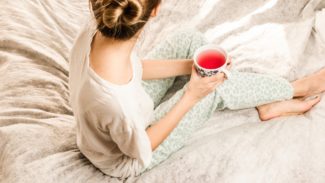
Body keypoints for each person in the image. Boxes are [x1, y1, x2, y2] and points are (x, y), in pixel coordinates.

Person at [68, 0, 325, 179]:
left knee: (189, 40)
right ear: (155, 10)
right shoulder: (115, 104)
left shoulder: (98, 29)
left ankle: (263, 97)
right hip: (129, 157)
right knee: (213, 90)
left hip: (129, 106)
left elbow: (133, 69)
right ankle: (294, 89)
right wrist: (192, 95)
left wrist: (190, 65)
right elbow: (141, 148)